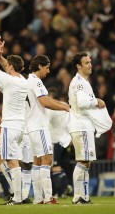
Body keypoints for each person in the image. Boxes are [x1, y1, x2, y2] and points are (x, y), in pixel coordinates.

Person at [0, 36, 28, 205]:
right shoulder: (22, 80)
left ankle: (19, 196)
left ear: (11, 67)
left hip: (9, 126)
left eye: (7, 65)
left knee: (12, 161)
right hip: (19, 127)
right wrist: (2, 55)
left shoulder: (9, 80)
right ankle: (14, 190)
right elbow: (5, 65)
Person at [25, 55, 70, 204]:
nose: (48, 71)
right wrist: (64, 107)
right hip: (39, 125)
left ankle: (38, 198)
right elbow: (44, 102)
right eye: (47, 67)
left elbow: (48, 99)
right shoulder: (36, 82)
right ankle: (48, 197)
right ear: (39, 66)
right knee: (47, 159)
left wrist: (63, 105)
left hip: (31, 126)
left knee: (37, 161)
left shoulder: (29, 81)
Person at [68, 52, 106, 204]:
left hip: (83, 126)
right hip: (81, 126)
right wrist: (96, 101)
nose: (90, 64)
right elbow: (83, 102)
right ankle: (79, 196)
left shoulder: (83, 81)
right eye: (86, 63)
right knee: (83, 161)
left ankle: (82, 195)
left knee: (86, 161)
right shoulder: (79, 82)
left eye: (90, 61)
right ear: (78, 66)